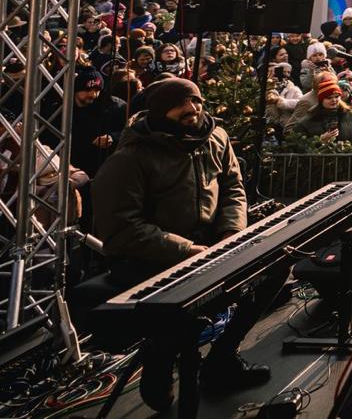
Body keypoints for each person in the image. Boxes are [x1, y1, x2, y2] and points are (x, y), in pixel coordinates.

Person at [91, 78, 274, 411]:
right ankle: (159, 360)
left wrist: (231, 234)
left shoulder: (215, 137)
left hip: (211, 247)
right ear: (162, 112)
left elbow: (233, 186)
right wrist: (186, 250)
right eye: (183, 106)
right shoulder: (131, 158)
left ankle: (221, 361)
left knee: (274, 268)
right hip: (154, 258)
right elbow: (120, 228)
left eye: (197, 102)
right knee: (180, 325)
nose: (194, 110)